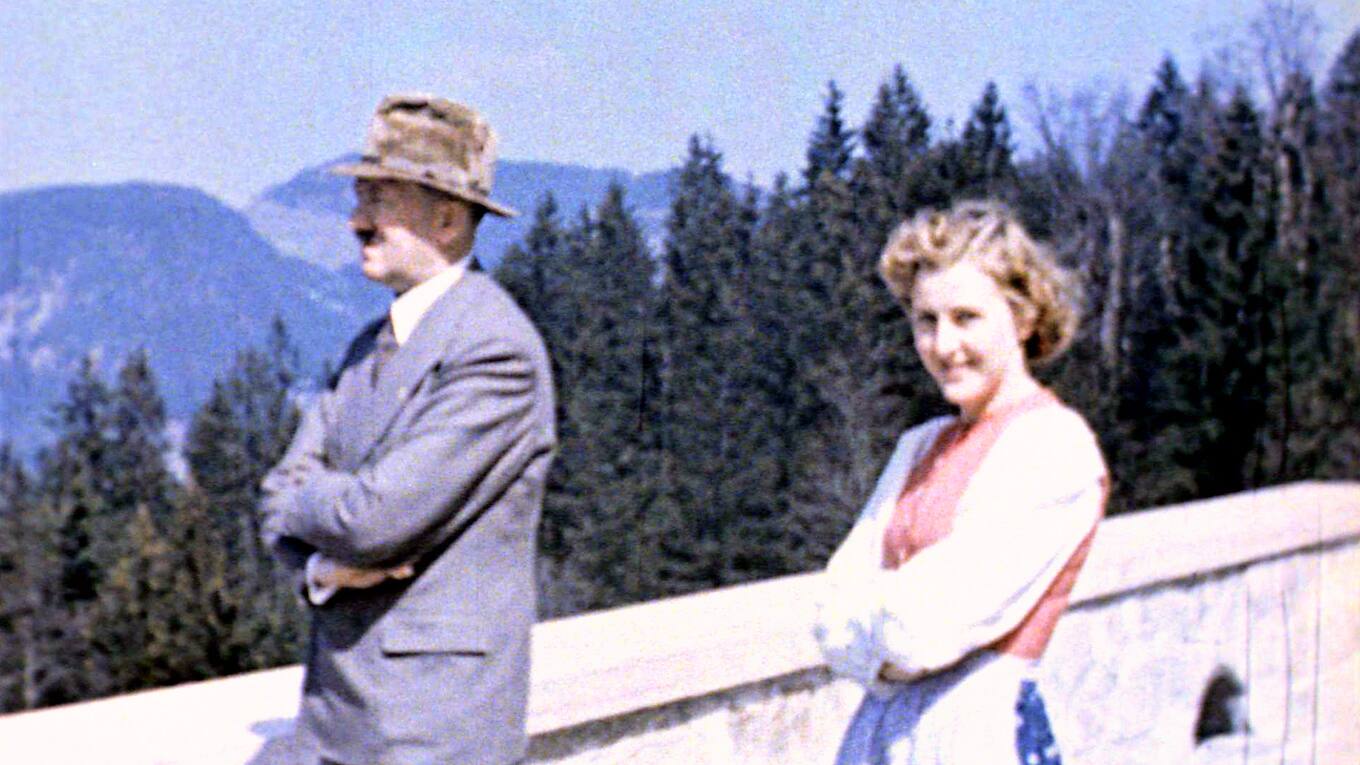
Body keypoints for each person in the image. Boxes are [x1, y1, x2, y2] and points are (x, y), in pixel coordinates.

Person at [254, 94, 556, 765]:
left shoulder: (495, 351)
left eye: (379, 200)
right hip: (335, 723)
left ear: (446, 219)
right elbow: (275, 499)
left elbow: (375, 520)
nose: (356, 221)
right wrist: (324, 567)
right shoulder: (370, 346)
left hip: (433, 731)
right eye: (359, 197)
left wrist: (314, 502)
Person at [813, 201, 1108, 765]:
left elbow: (925, 628)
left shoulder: (1054, 448)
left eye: (966, 318)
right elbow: (830, 612)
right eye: (927, 321)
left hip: (979, 736)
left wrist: (875, 631)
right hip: (881, 741)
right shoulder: (920, 447)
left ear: (1023, 320)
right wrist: (881, 628)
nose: (944, 345)